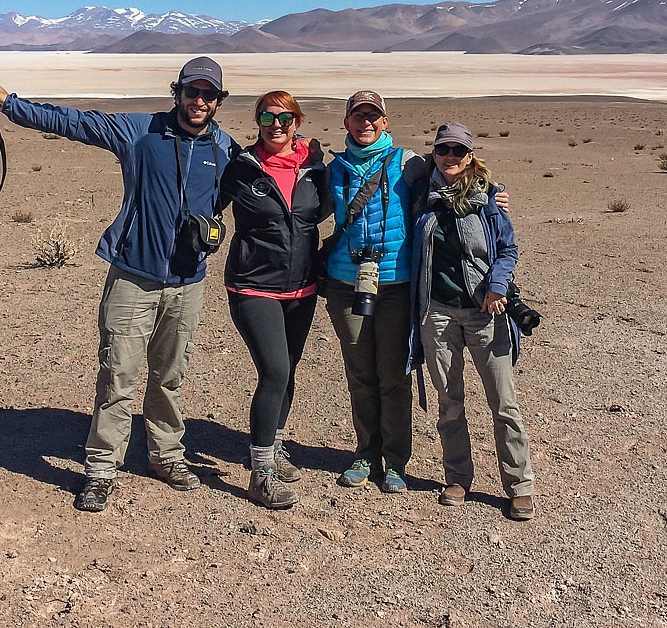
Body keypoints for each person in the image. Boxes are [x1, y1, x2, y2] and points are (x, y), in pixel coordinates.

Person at [0, 57, 237, 513]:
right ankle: (101, 468)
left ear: (218, 100)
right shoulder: (139, 131)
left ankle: (167, 456)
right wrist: (9, 104)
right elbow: (73, 122)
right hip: (134, 277)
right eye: (192, 92)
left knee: (170, 376)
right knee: (118, 374)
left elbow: (268, 184)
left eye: (209, 94)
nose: (199, 101)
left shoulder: (225, 148)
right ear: (176, 92)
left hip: (188, 281)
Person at [408, 122, 535, 521]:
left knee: (503, 403)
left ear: (470, 157)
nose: (450, 157)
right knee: (449, 403)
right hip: (437, 314)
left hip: (485, 312)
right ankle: (458, 477)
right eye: (443, 150)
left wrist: (497, 286)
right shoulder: (421, 196)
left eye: (458, 151)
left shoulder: (489, 199)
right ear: (434, 154)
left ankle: (519, 485)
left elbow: (508, 248)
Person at [216, 91, 330, 509]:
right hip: (252, 285)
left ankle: (276, 444)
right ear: (258, 122)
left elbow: (364, 200)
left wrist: (490, 194)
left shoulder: (316, 170)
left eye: (285, 118)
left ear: (297, 122)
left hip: (302, 287)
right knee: (275, 371)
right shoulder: (242, 168)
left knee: (289, 370)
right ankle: (260, 472)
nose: (276, 125)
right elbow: (200, 198)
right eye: (267, 117)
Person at [323, 89, 429, 494]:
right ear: (346, 122)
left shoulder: (409, 164)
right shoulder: (334, 168)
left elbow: (452, 185)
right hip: (344, 284)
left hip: (395, 285)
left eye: (373, 116)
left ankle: (396, 460)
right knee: (360, 373)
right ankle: (366, 451)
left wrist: (493, 195)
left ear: (385, 122)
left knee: (393, 374)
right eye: (358, 116)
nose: (365, 122)